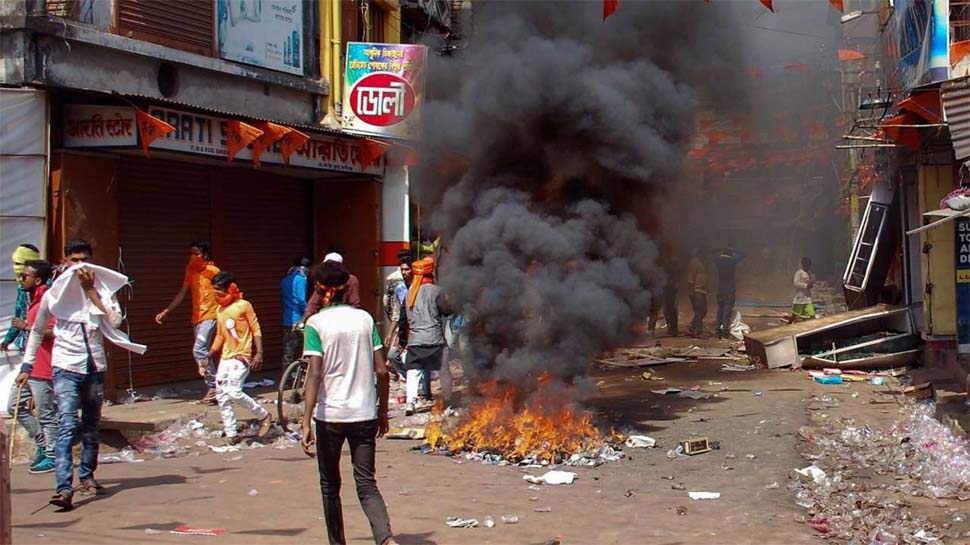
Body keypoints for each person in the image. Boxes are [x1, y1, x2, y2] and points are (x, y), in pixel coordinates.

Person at [24, 239, 146, 511]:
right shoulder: (54, 295)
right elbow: (36, 330)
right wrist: (26, 365)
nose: (79, 266)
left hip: (94, 368)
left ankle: (87, 475)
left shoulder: (101, 290)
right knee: (67, 425)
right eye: (74, 261)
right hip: (66, 367)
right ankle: (64, 488)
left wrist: (91, 292)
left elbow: (114, 321)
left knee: (91, 425)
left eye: (84, 261)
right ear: (66, 261)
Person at [300, 261, 397, 545]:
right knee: (367, 483)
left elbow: (315, 374)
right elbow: (382, 370)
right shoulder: (365, 319)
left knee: (330, 486)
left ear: (321, 291)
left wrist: (306, 421)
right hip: (364, 414)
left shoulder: (315, 324)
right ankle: (386, 538)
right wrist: (382, 411)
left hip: (330, 416)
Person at [207, 272, 272, 445]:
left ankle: (263, 415)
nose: (216, 293)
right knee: (222, 396)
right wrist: (210, 354)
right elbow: (220, 335)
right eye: (214, 290)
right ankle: (231, 433)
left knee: (234, 391)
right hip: (225, 358)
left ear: (230, 289)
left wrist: (259, 352)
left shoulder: (244, 305)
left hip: (241, 356)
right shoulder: (219, 310)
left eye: (219, 290)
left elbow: (255, 328)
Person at [155, 241, 221, 404]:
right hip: (197, 317)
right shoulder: (190, 271)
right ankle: (216, 388)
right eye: (191, 252)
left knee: (199, 349)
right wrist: (167, 311)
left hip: (211, 316)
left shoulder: (213, 271)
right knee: (204, 351)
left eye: (196, 253)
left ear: (205, 255)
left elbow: (226, 292)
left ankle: (214, 387)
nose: (193, 256)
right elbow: (182, 293)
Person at [8, 259, 56, 474]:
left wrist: (25, 327)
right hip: (30, 365)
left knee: (46, 413)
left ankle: (52, 455)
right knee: (14, 405)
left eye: (25, 276)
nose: (21, 279)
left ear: (37, 280)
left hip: (44, 365)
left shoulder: (49, 300)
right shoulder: (32, 301)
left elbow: (53, 332)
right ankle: (43, 443)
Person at [403, 257, 447, 415]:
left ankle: (410, 403)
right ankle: (447, 398)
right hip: (434, 338)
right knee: (444, 367)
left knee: (413, 371)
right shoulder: (436, 290)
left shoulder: (410, 292)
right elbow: (446, 311)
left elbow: (403, 318)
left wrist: (403, 340)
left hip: (415, 340)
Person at [300, 253, 361, 323]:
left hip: (345, 318)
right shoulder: (322, 280)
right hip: (325, 317)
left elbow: (354, 304)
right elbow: (313, 304)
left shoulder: (351, 280)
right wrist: (302, 321)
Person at [2, 243, 40, 353]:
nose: (15, 267)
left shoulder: (47, 287)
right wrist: (8, 339)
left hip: (42, 343)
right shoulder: (21, 286)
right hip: (25, 344)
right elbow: (19, 315)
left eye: (18, 263)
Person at [384, 256, 413, 380]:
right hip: (402, 328)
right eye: (402, 270)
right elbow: (396, 313)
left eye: (407, 269)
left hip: (415, 329)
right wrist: (390, 334)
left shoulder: (419, 287)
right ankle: (408, 377)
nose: (404, 273)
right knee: (392, 355)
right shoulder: (400, 289)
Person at [281, 257, 311, 364]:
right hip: (298, 320)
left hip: (287, 319)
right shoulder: (300, 279)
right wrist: (309, 311)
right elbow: (301, 300)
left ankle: (286, 376)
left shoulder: (285, 280)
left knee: (288, 350)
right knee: (305, 349)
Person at [714, 247, 746, 340]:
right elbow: (744, 253)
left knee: (720, 311)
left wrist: (721, 248)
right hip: (729, 291)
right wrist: (734, 250)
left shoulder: (718, 261)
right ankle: (725, 332)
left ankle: (718, 331)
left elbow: (713, 252)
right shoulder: (732, 262)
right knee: (726, 313)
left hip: (720, 290)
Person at [648, 247, 679, 337]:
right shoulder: (658, 262)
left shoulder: (671, 262)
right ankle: (651, 330)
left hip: (668, 289)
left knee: (669, 310)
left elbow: (675, 275)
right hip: (659, 288)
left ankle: (672, 330)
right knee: (655, 310)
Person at [686, 247, 709, 337]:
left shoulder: (703, 262)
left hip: (702, 290)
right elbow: (690, 278)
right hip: (696, 290)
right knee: (699, 311)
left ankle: (692, 327)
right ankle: (698, 331)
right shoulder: (694, 263)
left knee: (704, 311)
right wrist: (691, 291)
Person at [791, 257, 816, 321]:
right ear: (803, 264)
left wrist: (811, 283)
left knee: (812, 314)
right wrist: (806, 286)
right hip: (799, 297)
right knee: (794, 315)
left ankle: (817, 329)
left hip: (807, 298)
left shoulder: (809, 273)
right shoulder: (799, 273)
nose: (807, 267)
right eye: (806, 265)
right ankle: (788, 325)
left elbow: (811, 282)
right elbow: (796, 283)